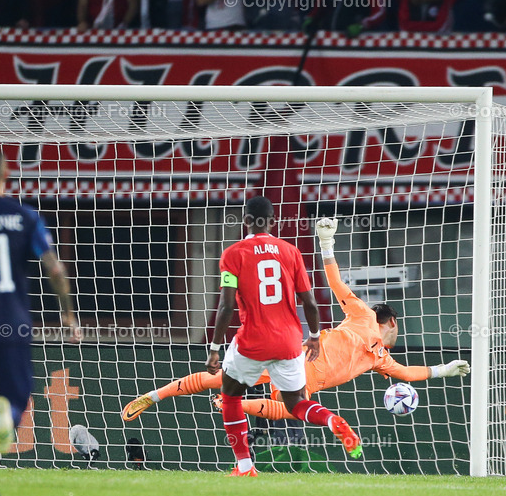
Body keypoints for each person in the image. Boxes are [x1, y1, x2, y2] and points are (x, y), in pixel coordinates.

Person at [122, 216, 470, 424]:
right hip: (295, 358)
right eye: (398, 328)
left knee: (279, 404)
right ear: (390, 321)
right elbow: (335, 284)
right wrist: (327, 242)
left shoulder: (380, 360)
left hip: (298, 370)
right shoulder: (363, 314)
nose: (397, 337)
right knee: (232, 385)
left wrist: (443, 370)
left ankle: (230, 404)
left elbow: (408, 374)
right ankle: (155, 396)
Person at [204, 196, 359, 477]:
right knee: (296, 404)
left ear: (246, 220)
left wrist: (215, 348)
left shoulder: (233, 254)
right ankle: (331, 419)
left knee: (230, 398)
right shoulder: (291, 252)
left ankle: (245, 466)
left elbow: (226, 305)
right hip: (289, 341)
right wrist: (313, 336)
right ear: (273, 221)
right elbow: (310, 303)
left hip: (252, 340)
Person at [0, 145, 80, 496]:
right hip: (11, 323)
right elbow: (56, 270)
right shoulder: (25, 217)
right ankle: (8, 419)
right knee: (18, 396)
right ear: (6, 176)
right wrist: (68, 316)